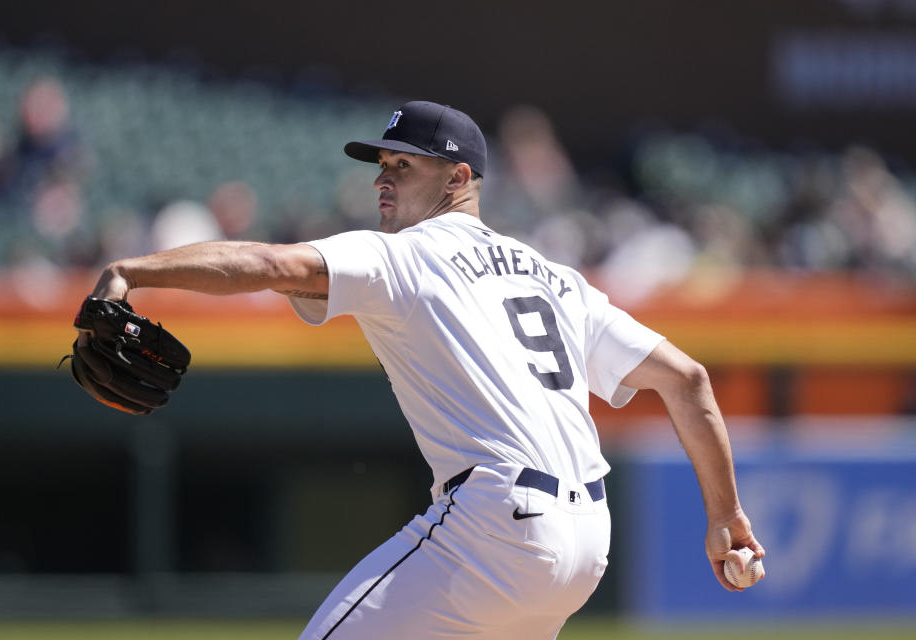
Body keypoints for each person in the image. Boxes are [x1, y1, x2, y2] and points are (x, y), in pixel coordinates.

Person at [85, 101, 765, 639]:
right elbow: (688, 381)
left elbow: (268, 264)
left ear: (459, 178)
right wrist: (725, 515)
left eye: (403, 166)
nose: (383, 178)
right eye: (381, 164)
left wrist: (133, 270)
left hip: (496, 522)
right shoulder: (557, 278)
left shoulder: (408, 257)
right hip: (588, 542)